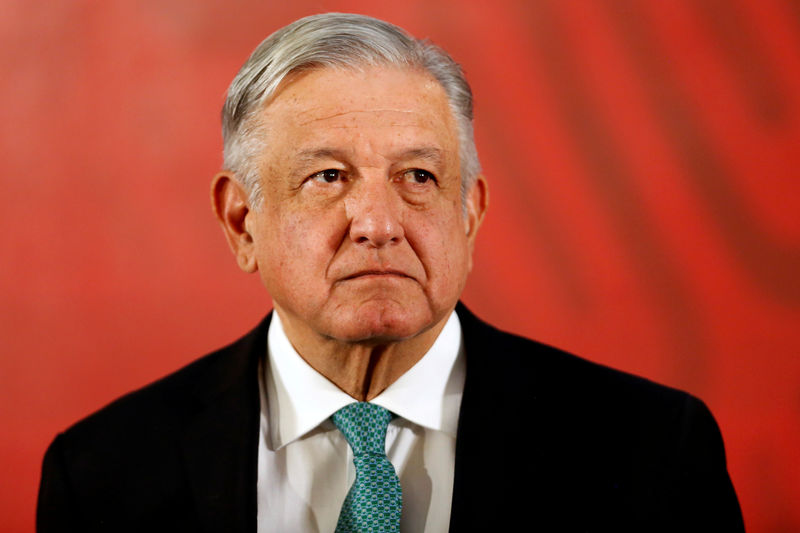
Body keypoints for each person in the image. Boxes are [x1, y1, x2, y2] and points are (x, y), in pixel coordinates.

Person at [37, 13, 744, 532]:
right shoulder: (104, 472)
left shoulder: (652, 447)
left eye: (417, 175)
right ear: (242, 221)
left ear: (470, 212)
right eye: (328, 175)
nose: (379, 221)